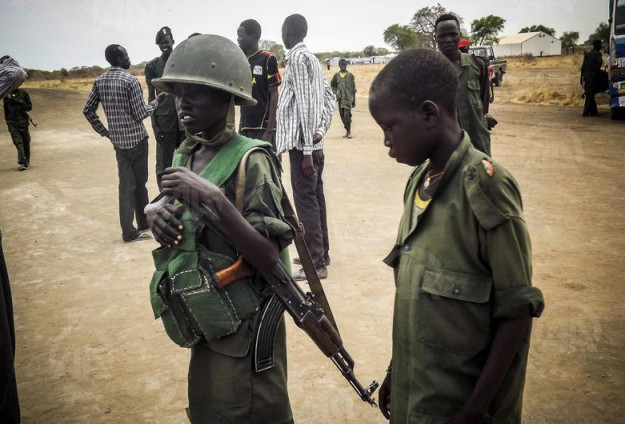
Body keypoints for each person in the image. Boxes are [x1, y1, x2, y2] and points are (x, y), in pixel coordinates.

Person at [368, 48, 544, 423]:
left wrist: (475, 409)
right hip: (420, 397)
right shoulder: (419, 182)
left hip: (463, 407)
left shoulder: (485, 186)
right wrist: (396, 371)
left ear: (429, 114)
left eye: (390, 127)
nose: (386, 141)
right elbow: (418, 302)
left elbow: (517, 311)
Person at [147, 34, 294, 423]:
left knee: (248, 408)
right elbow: (168, 205)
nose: (183, 103)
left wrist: (214, 201)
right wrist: (154, 212)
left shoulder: (252, 160)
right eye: (178, 92)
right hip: (206, 316)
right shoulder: (186, 151)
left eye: (196, 92)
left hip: (246, 327)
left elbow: (269, 257)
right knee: (209, 407)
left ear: (228, 96)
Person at [83, 44, 163, 242]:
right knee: (140, 185)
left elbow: (88, 110)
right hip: (137, 140)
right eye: (126, 55)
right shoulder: (130, 81)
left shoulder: (99, 81)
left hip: (118, 143)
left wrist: (106, 132)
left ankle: (134, 227)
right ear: (119, 59)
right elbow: (140, 113)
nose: (129, 58)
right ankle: (135, 228)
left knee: (126, 187)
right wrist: (157, 101)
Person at [277, 14, 334, 281]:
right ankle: (321, 253)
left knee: (306, 201)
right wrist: (320, 132)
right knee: (316, 197)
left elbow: (306, 104)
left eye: (282, 30)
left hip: (304, 147)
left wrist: (308, 149)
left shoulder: (298, 59)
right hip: (313, 142)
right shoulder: (312, 59)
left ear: (288, 32)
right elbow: (328, 98)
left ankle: (316, 262)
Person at [435, 14, 493, 155]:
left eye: (453, 34)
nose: (448, 40)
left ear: (459, 35)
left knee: (482, 175)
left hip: (477, 141)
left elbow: (483, 100)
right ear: (435, 38)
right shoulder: (430, 69)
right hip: (446, 143)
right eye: (442, 36)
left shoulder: (478, 64)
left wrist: (485, 117)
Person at [145, 26, 186, 189]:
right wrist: (154, 126)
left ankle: (185, 200)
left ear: (173, 41)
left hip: (185, 122)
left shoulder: (183, 62)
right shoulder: (152, 67)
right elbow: (151, 96)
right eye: (161, 43)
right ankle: (164, 200)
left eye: (167, 42)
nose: (164, 46)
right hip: (164, 123)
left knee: (187, 162)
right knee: (164, 166)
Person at [236, 19, 282, 150]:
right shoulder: (242, 61)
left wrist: (268, 131)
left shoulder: (267, 59)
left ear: (253, 36)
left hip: (263, 127)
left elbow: (274, 95)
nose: (238, 39)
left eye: (241, 35)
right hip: (245, 128)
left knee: (268, 166)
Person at [3, 87, 32, 171]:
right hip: (12, 123)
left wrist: (20, 102)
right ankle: (23, 161)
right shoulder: (6, 94)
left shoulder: (23, 93)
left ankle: (26, 161)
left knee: (26, 142)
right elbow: (6, 110)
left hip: (23, 122)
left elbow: (29, 107)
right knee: (18, 142)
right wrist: (8, 121)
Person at [330, 58, 357, 138]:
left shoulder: (350, 76)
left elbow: (353, 89)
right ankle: (347, 130)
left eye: (344, 64)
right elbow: (332, 86)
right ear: (339, 65)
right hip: (340, 99)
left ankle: (349, 132)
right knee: (342, 116)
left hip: (348, 99)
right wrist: (336, 92)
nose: (343, 66)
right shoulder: (336, 76)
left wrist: (354, 101)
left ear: (346, 65)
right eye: (341, 64)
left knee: (346, 115)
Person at [580, 40, 603, 117]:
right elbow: (599, 63)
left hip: (586, 76)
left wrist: (582, 78)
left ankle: (593, 111)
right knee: (590, 95)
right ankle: (585, 111)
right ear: (597, 45)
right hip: (593, 76)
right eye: (600, 45)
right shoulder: (598, 53)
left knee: (590, 93)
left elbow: (583, 67)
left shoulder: (587, 54)